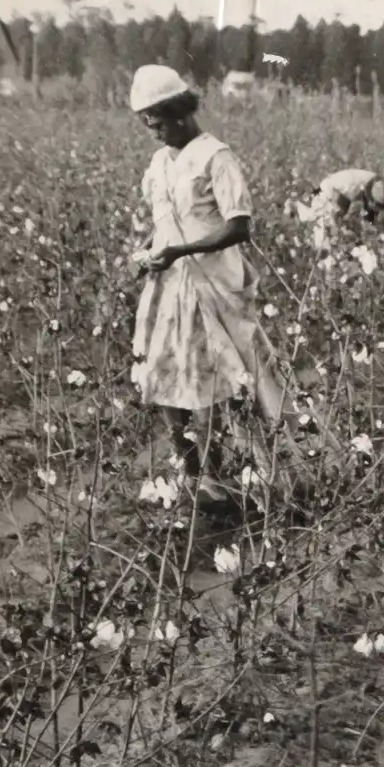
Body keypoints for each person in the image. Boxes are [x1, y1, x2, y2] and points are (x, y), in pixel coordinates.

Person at [124, 65, 284, 493]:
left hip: (211, 286)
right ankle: (192, 471)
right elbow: (164, 221)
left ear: (179, 113)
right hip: (167, 287)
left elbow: (238, 227)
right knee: (162, 373)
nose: (154, 133)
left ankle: (220, 473)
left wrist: (181, 250)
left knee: (210, 379)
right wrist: (146, 251)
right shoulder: (160, 162)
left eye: (157, 124)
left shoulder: (216, 157)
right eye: (147, 125)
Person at [293, 167, 384, 252]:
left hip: (343, 195)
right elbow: (338, 202)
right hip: (333, 195)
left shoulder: (371, 182)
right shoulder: (344, 186)